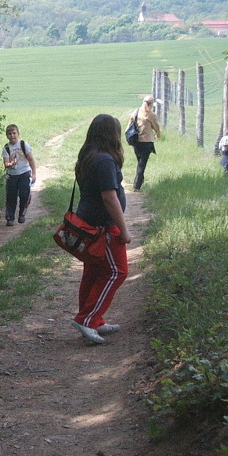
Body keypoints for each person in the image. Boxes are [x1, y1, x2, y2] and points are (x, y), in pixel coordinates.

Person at [69, 114, 132, 344]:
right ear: (111, 134)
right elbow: (109, 197)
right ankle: (87, 319)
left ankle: (94, 320)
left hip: (88, 224)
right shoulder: (105, 160)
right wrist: (123, 230)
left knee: (94, 271)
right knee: (117, 271)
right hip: (103, 228)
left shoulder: (88, 156)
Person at [2, 124, 37, 225]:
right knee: (11, 196)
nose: (12, 135)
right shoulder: (6, 148)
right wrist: (11, 164)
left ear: (18, 134)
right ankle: (10, 218)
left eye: (14, 133)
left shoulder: (23, 145)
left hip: (24, 173)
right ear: (7, 135)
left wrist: (34, 174)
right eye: (9, 134)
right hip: (11, 175)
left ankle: (22, 213)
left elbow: (31, 160)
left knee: (24, 194)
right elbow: (6, 163)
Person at [129, 94, 161, 192]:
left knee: (140, 162)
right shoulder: (151, 115)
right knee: (142, 164)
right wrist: (158, 135)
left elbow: (130, 124)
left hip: (136, 141)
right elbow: (156, 127)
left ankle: (140, 181)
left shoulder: (136, 112)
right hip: (147, 142)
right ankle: (136, 186)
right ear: (151, 104)